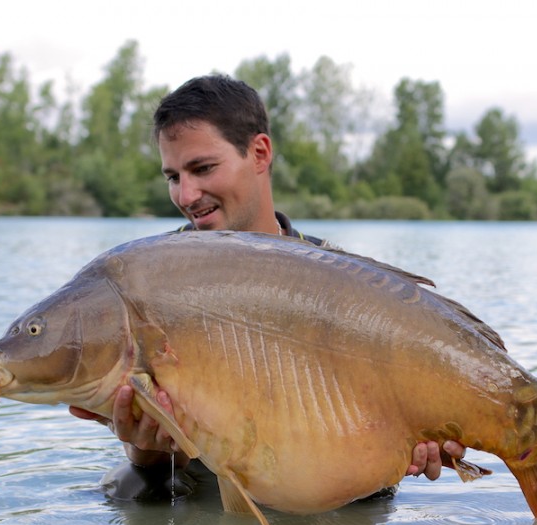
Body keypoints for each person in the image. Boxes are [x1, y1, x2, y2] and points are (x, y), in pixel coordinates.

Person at [69, 74, 465, 499]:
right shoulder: (148, 286)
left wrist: (421, 441)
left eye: (202, 168)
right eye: (173, 176)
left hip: (329, 492)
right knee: (131, 490)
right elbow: (156, 462)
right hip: (206, 501)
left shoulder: (344, 282)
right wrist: (144, 450)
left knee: (369, 498)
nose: (186, 194)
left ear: (259, 153)